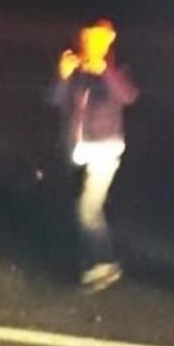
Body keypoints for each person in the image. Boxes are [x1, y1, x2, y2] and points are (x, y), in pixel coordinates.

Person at [49, 19, 138, 291]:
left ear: (110, 40)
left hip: (105, 150)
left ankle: (105, 263)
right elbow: (53, 100)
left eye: (99, 39)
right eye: (88, 37)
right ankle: (91, 257)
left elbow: (129, 95)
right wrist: (62, 77)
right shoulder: (77, 67)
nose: (91, 43)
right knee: (85, 207)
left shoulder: (117, 67)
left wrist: (106, 72)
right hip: (78, 150)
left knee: (87, 209)